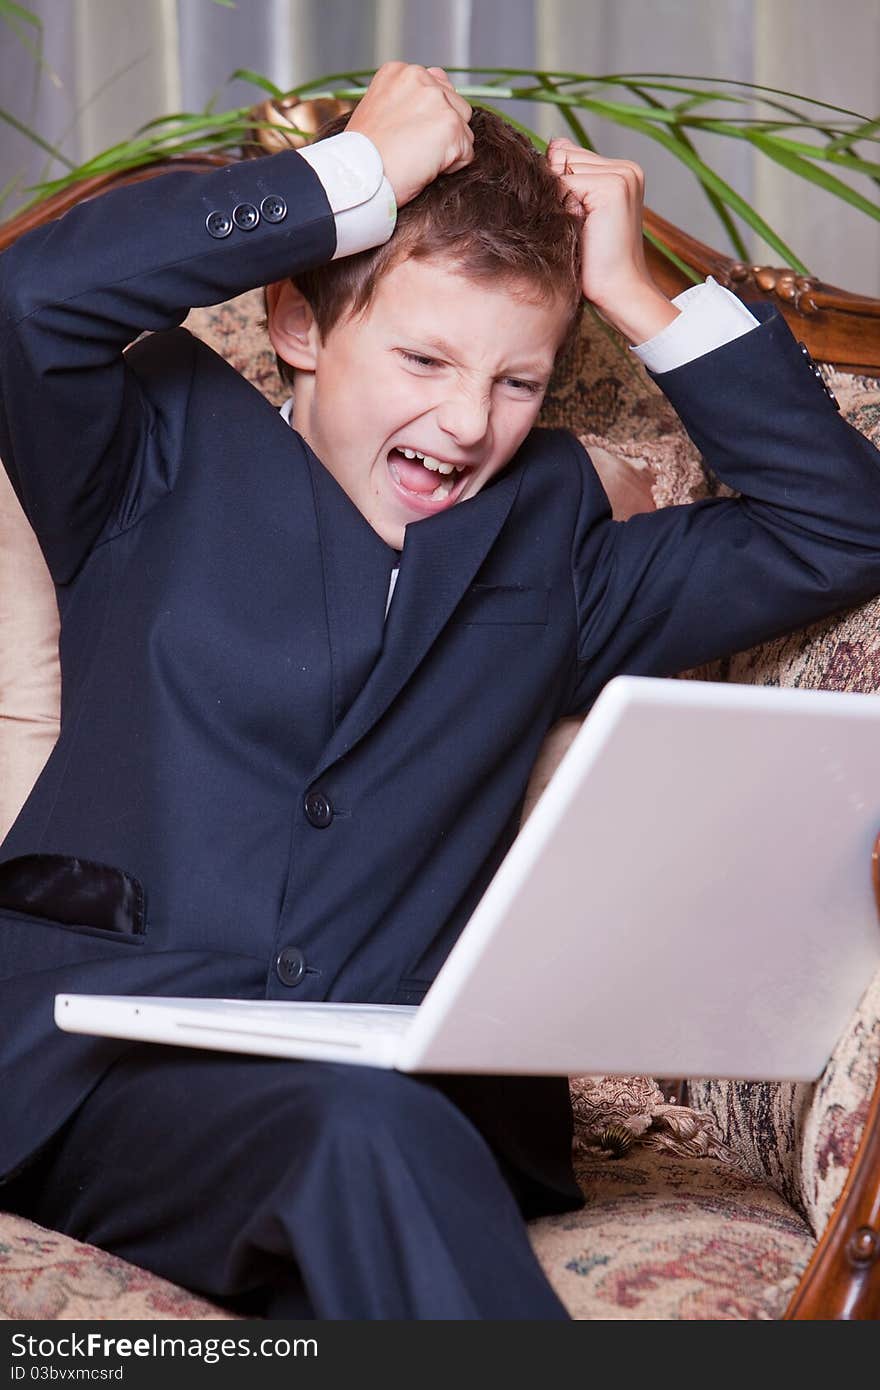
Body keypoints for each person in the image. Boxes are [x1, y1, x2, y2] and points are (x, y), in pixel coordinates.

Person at [1, 61, 879, 1321]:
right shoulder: (153, 457)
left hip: (376, 1104)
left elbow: (837, 530)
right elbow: (29, 296)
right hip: (95, 1071)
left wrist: (639, 290)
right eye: (422, 357)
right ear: (301, 327)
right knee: (366, 1144)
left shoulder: (549, 555)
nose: (465, 420)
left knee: (368, 1149)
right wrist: (353, 178)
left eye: (516, 381)